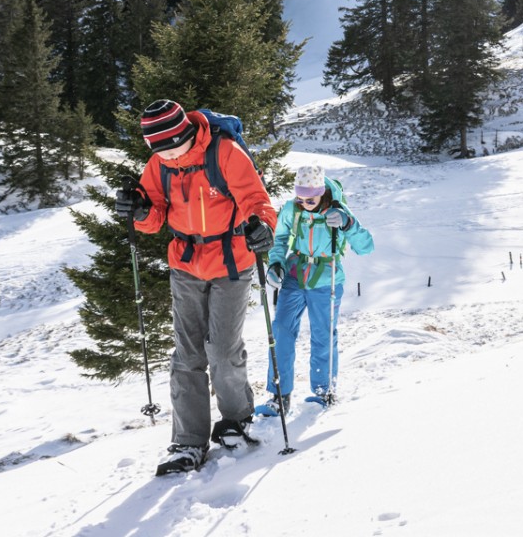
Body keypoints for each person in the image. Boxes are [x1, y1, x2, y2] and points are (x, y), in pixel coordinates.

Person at [114, 99, 278, 476]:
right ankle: (187, 441)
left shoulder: (225, 152)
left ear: (187, 132)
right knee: (186, 354)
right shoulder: (159, 165)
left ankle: (237, 418)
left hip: (231, 260)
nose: (170, 154)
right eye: (161, 149)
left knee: (221, 349)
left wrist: (262, 226)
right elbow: (154, 216)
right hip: (185, 264)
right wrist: (138, 211)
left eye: (174, 145)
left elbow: (257, 200)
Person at [257, 163, 374, 414]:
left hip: (326, 278)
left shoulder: (338, 211)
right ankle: (279, 395)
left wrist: (347, 223)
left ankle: (323, 391)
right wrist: (276, 263)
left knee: (322, 334)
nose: (304, 203)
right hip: (294, 274)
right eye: (300, 197)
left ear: (321, 191)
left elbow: (366, 247)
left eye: (310, 199)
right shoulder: (292, 209)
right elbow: (280, 240)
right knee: (281, 330)